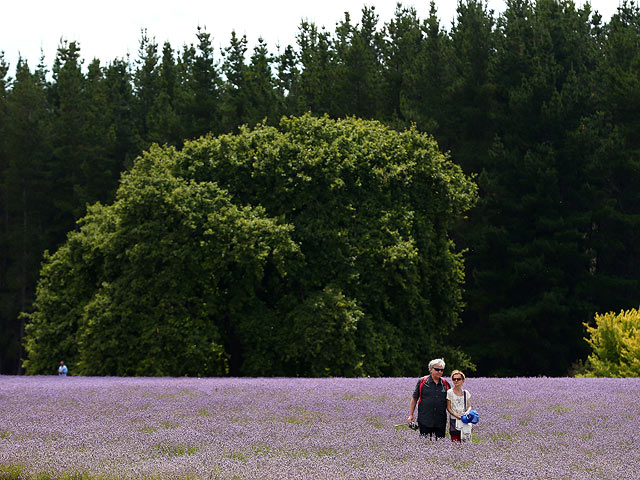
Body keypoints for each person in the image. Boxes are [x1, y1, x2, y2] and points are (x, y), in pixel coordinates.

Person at [408, 358, 448, 439]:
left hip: (440, 421)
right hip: (424, 420)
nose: (440, 372)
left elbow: (449, 401)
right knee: (425, 444)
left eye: (441, 370)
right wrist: (411, 415)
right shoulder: (422, 381)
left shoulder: (445, 383)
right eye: (437, 369)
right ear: (430, 369)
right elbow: (414, 398)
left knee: (440, 446)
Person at [446, 369, 472, 442]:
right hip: (454, 419)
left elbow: (469, 406)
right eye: (454, 379)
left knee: (466, 441)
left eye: (458, 379)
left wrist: (466, 413)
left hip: (464, 419)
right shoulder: (449, 392)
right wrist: (456, 415)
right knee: (455, 440)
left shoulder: (465, 393)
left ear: (463, 380)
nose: (456, 381)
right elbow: (448, 407)